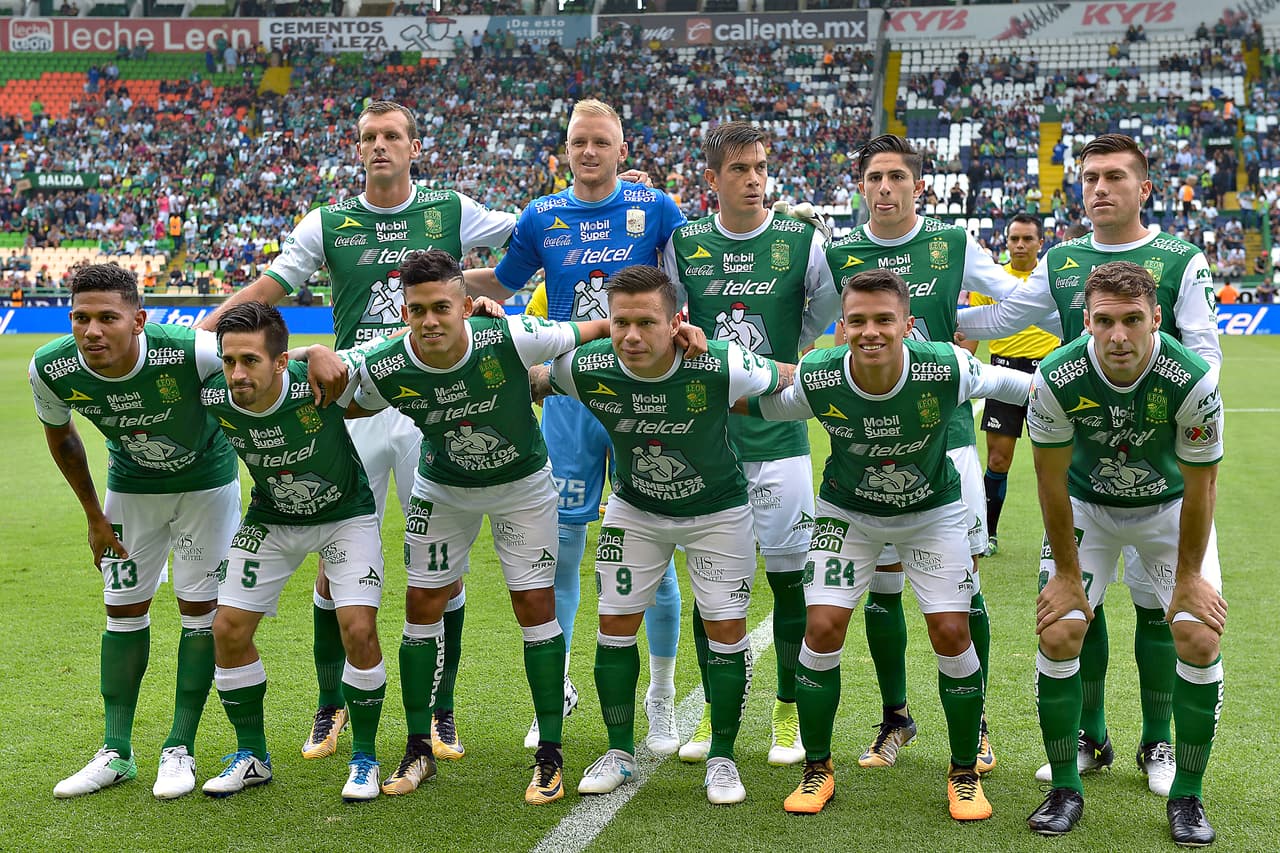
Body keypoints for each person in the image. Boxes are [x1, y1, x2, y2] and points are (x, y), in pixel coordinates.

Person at [202, 100, 516, 764]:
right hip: (358, 403)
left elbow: (529, 246)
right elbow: (273, 286)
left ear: (413, 146)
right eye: (369, 136)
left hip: (434, 399)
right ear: (357, 148)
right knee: (332, 560)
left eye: (392, 135)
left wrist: (477, 295)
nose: (380, 145)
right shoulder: (329, 222)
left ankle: (440, 708)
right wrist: (205, 327)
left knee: (443, 567)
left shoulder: (452, 210)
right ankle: (331, 700)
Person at [958, 134, 1222, 797]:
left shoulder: (1179, 258)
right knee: (1081, 609)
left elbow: (1207, 358)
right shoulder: (1064, 258)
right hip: (1087, 476)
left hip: (1161, 466)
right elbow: (1011, 315)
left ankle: (1158, 738)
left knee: (1157, 609)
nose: (1098, 189)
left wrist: (1150, 410)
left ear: (1145, 189)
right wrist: (931, 317)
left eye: (1113, 177)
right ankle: (1090, 733)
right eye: (1089, 178)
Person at [743, 269, 1031, 820]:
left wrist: (1077, 386)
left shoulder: (944, 365)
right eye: (857, 320)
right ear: (841, 325)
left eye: (883, 320)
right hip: (848, 513)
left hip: (932, 514)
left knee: (951, 628)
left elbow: (1013, 386)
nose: (869, 331)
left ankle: (965, 772)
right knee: (822, 625)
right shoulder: (821, 374)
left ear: (906, 325)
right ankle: (818, 768)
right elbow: (771, 406)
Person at [349, 249, 620, 803]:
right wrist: (313, 355)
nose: (430, 321)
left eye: (442, 307)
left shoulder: (512, 337)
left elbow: (597, 327)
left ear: (465, 305)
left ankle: (550, 752)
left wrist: (676, 331)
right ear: (403, 313)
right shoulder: (387, 361)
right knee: (422, 606)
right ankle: (418, 746)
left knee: (534, 606)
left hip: (522, 487)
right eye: (418, 309)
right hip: (441, 489)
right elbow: (345, 398)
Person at [466, 99, 687, 752]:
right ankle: (553, 689)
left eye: (600, 141)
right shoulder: (542, 216)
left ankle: (662, 695)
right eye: (577, 142)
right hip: (567, 398)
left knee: (653, 548)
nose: (588, 151)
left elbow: (685, 290)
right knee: (559, 550)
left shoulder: (658, 210)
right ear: (564, 151)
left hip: (645, 398)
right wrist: (443, 283)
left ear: (622, 150)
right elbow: (503, 284)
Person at [536, 265, 786, 804]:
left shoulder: (720, 363)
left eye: (645, 322)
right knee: (614, 627)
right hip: (635, 511)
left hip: (718, 514)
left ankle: (722, 757)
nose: (630, 335)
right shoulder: (586, 366)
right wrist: (487, 320)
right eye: (619, 321)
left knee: (725, 632)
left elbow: (790, 380)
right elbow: (528, 377)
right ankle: (621, 751)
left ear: (676, 322)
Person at [821, 134, 1023, 775]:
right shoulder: (839, 251)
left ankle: (977, 723)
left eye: (897, 178)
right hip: (867, 443)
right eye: (875, 177)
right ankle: (896, 717)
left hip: (950, 444)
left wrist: (974, 333)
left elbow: (1014, 300)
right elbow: (812, 323)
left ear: (918, 186)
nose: (885, 188)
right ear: (861, 187)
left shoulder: (952, 244)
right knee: (882, 590)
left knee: (963, 597)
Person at [1025, 261, 1225, 846]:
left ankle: (1187, 796)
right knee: (1059, 630)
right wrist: (1065, 574)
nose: (1118, 336)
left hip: (1168, 509)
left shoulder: (1190, 380)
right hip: (1088, 508)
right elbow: (1050, 480)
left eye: (1132, 320)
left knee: (1198, 634)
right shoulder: (1055, 378)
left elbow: (1201, 485)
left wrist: (1189, 576)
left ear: (1156, 319)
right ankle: (1066, 786)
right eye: (1105, 321)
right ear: (1085, 321)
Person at [662, 121, 839, 766]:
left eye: (762, 167)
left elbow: (817, 316)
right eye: (740, 169)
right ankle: (718, 714)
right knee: (716, 590)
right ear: (712, 180)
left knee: (792, 587)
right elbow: (672, 320)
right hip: (713, 442)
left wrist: (784, 364)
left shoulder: (801, 240)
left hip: (784, 442)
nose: (755, 179)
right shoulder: (685, 244)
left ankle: (787, 715)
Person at [32, 263, 241, 801]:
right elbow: (63, 438)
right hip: (130, 490)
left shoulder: (192, 351)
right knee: (122, 609)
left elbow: (256, 383)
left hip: (207, 490)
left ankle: (179, 748)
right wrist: (94, 516)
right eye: (80, 317)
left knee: (200, 614)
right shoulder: (51, 368)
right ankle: (115, 751)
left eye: (107, 317)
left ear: (139, 320)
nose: (92, 331)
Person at [200, 302, 387, 802]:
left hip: (344, 516)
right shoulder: (213, 392)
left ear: (281, 363)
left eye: (251, 361)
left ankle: (364, 758)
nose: (237, 373)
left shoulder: (315, 382)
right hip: (272, 519)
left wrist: (320, 351)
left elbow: (386, 365)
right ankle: (252, 756)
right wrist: (310, 346)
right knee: (228, 628)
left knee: (359, 628)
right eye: (229, 360)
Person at [967, 213, 1058, 556]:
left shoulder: (1048, 280)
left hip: (1045, 375)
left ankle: (1057, 537)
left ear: (1040, 243)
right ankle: (989, 534)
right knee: (999, 459)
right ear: (1006, 242)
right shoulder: (991, 281)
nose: (1019, 245)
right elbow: (972, 335)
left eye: (1027, 239)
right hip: (1003, 375)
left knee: (1052, 461)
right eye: (1013, 239)